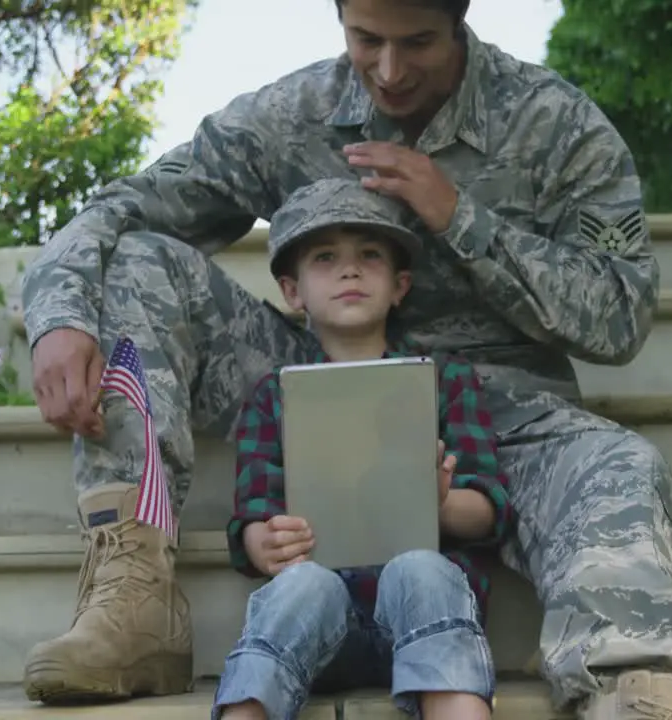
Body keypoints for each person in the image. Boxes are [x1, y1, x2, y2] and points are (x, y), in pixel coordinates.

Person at [20, 0, 672, 717]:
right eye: (366, 40)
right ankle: (133, 603)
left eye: (417, 43)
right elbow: (125, 208)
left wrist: (461, 219)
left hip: (500, 410)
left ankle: (626, 682)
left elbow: (622, 315)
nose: (389, 70)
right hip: (317, 382)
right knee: (133, 262)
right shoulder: (295, 113)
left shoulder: (556, 124)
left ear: (460, 19)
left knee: (621, 464)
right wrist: (61, 315)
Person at [215, 177, 511, 720]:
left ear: (400, 286)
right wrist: (268, 544)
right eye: (325, 257)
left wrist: (438, 501)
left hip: (425, 616)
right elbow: (254, 521)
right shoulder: (274, 396)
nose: (349, 270)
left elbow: (488, 511)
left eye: (368, 255)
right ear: (292, 291)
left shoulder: (443, 380)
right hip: (321, 627)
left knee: (422, 567)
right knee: (303, 584)